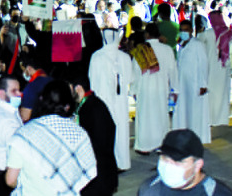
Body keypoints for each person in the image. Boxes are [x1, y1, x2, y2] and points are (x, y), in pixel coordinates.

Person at [6, 81, 98, 196]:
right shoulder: (79, 133)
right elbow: (88, 171)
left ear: (41, 100)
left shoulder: (24, 135)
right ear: (68, 105)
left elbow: (10, 180)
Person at [69, 74, 118, 196]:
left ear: (78, 89)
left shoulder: (92, 108)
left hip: (97, 180)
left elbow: (96, 145)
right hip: (95, 177)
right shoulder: (90, 105)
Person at [88, 32, 133, 171]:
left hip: (103, 99)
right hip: (121, 100)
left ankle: (108, 163)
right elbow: (130, 78)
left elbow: (92, 80)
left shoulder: (97, 56)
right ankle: (122, 162)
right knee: (121, 129)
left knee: (105, 130)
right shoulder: (125, 57)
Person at [131, 24, 176, 154]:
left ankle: (144, 147)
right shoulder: (167, 50)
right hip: (162, 89)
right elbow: (173, 71)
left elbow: (135, 73)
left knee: (145, 118)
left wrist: (133, 90)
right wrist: (175, 89)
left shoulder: (140, 50)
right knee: (161, 116)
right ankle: (161, 144)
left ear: (147, 35)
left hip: (144, 90)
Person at [173, 19, 211, 144]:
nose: (183, 32)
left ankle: (196, 138)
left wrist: (203, 84)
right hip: (183, 84)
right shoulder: (182, 45)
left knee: (195, 112)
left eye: (186, 30)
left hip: (195, 84)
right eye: (181, 30)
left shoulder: (197, 44)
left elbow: (204, 64)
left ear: (191, 30)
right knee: (184, 111)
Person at [206, 10, 232, 126]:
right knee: (223, 93)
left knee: (211, 93)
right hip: (224, 67)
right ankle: (221, 119)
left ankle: (210, 118)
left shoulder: (207, 34)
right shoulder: (229, 33)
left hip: (211, 68)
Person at [18, 54, 52, 123]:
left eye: (24, 70)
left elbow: (25, 117)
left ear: (29, 68)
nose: (24, 73)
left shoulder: (31, 87)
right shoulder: (54, 81)